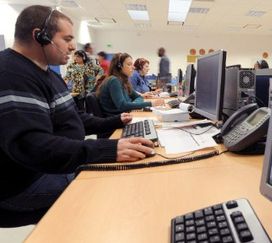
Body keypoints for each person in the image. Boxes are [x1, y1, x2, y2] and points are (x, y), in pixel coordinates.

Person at [0, 5, 156, 212]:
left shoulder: (49, 75)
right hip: (27, 182)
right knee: (113, 187)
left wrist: (116, 121)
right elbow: (33, 146)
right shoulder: (11, 73)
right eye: (67, 39)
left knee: (125, 172)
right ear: (40, 36)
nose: (74, 46)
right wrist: (106, 149)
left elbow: (77, 118)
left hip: (54, 166)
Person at [97, 53, 165, 116]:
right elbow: (122, 106)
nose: (133, 67)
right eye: (129, 64)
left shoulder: (124, 81)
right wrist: (151, 103)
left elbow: (139, 97)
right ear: (119, 66)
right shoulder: (114, 80)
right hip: (116, 122)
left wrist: (132, 105)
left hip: (125, 116)